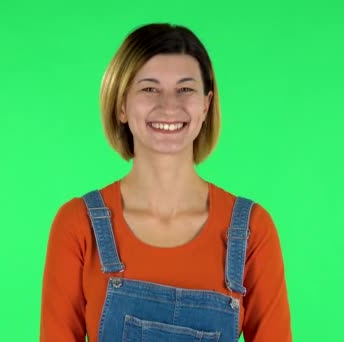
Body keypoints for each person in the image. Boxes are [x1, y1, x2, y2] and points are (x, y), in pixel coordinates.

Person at [40, 23, 292, 341]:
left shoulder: (252, 231)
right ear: (121, 105)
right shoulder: (78, 225)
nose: (169, 106)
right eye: (149, 88)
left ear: (205, 105)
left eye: (185, 89)